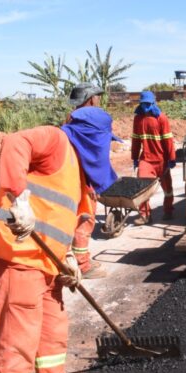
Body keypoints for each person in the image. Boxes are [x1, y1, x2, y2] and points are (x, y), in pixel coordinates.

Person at [0, 104, 120, 373]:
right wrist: (19, 196)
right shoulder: (56, 141)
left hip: (45, 261)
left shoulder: (79, 173)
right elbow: (16, 142)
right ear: (95, 139)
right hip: (15, 256)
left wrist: (67, 258)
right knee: (18, 340)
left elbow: (59, 220)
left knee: (53, 332)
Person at [67, 83, 112, 280]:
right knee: (85, 219)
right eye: (97, 97)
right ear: (90, 99)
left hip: (67, 175)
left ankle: (67, 259)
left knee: (69, 219)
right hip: (84, 178)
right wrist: (93, 183)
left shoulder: (70, 119)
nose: (98, 101)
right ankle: (83, 265)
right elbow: (95, 155)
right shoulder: (96, 120)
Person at [131, 91, 176, 224]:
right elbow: (136, 140)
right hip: (146, 159)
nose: (145, 106)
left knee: (167, 188)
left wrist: (171, 158)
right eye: (143, 104)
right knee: (142, 187)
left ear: (153, 103)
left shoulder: (161, 118)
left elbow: (168, 140)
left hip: (162, 159)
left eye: (148, 104)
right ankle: (145, 215)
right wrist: (134, 157)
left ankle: (168, 210)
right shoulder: (138, 119)